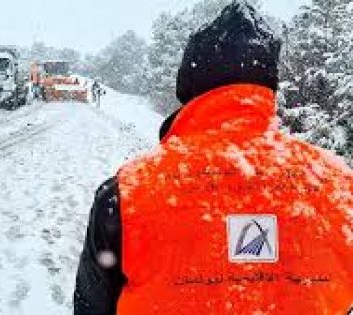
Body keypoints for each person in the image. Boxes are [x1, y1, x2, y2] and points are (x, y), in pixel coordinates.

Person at [74, 1, 353, 314]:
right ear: (270, 86)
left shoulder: (126, 193)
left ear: (189, 86)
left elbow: (91, 306)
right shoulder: (341, 187)